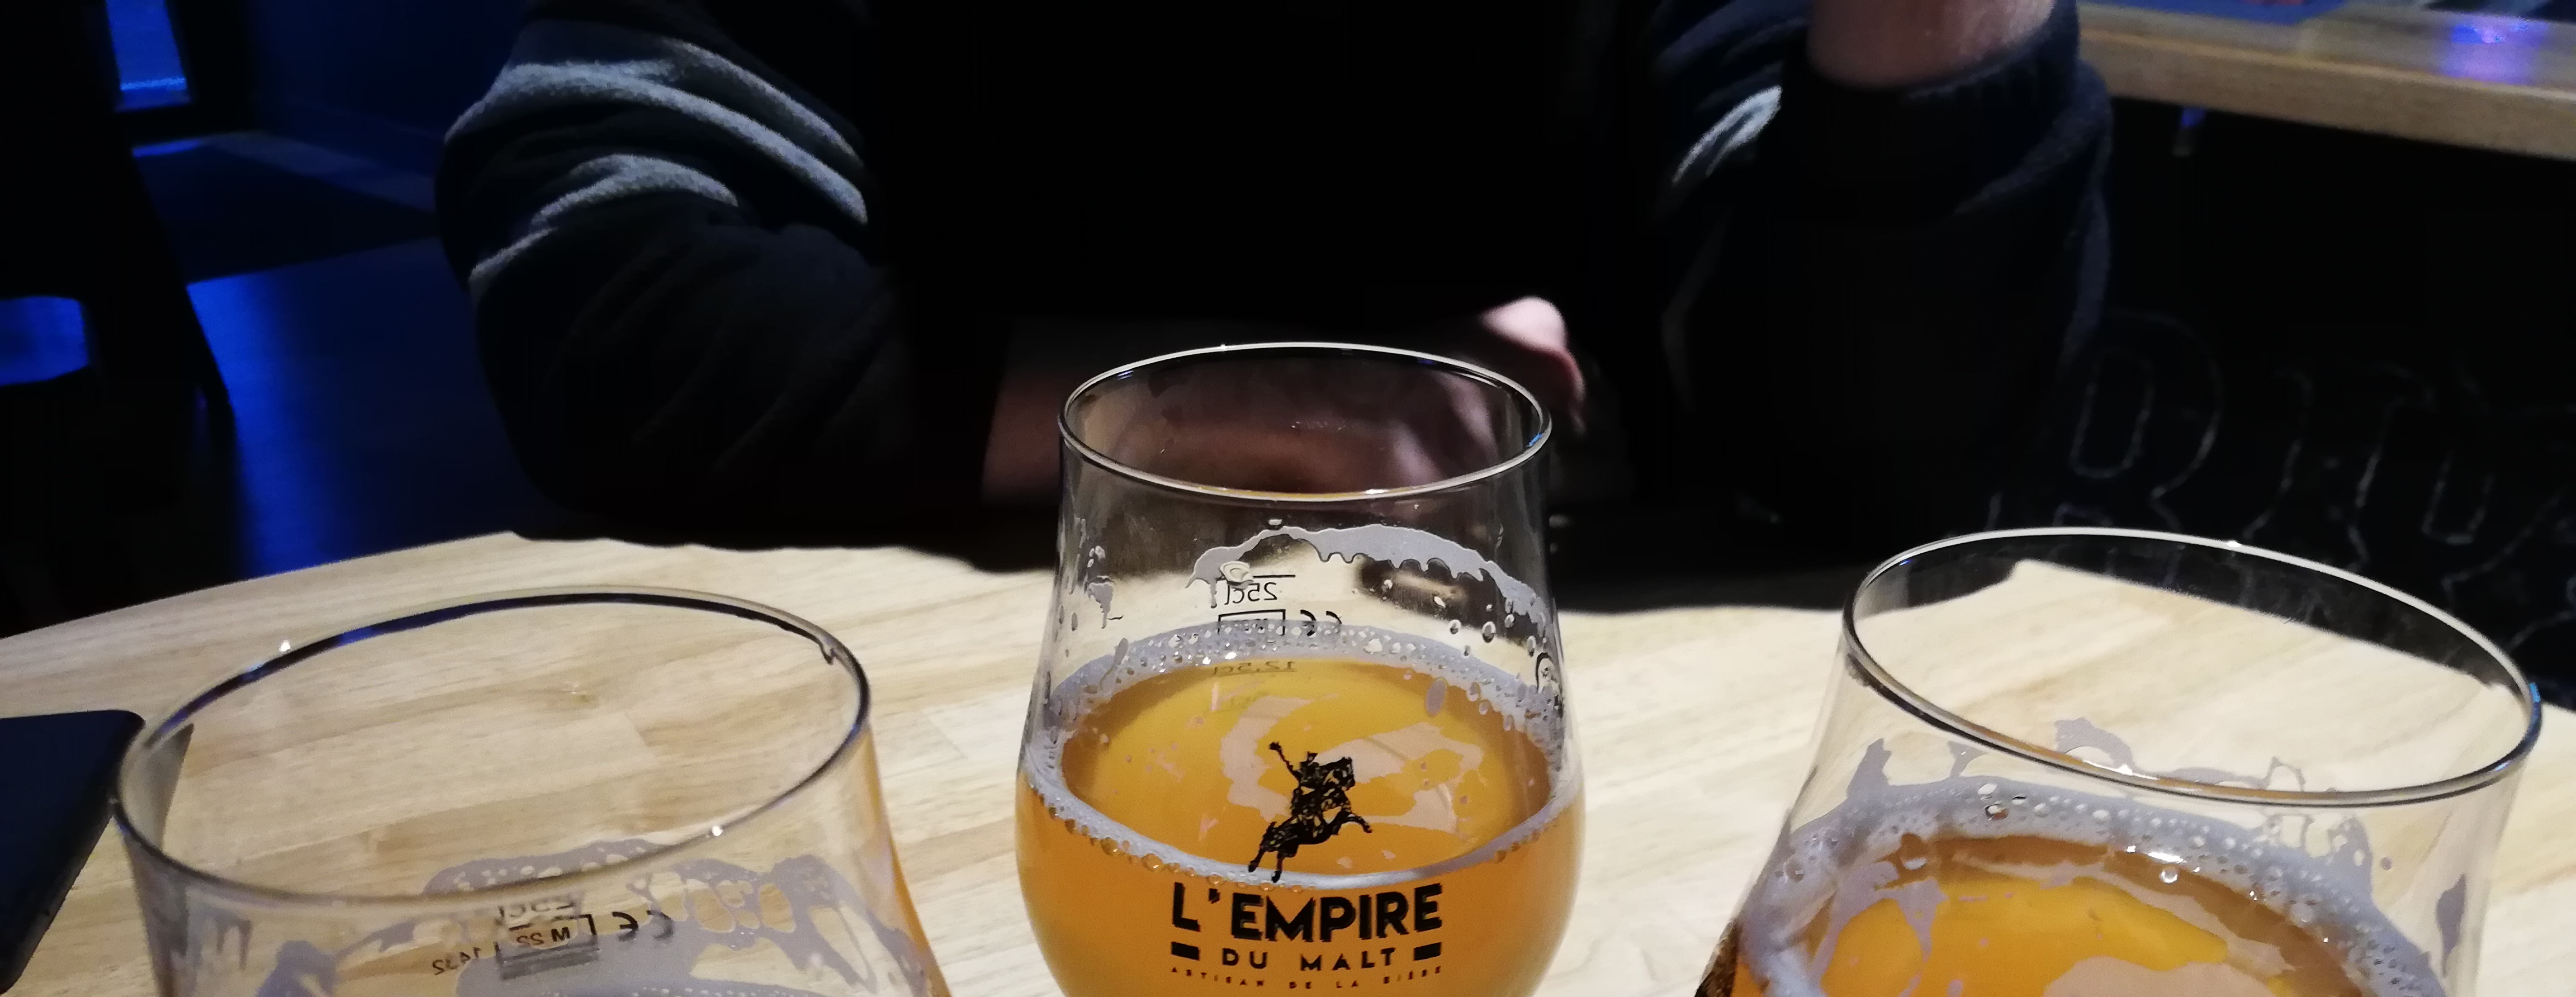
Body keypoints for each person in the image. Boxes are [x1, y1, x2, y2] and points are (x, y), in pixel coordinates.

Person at [438, 0, 2106, 545]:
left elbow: (1889, 450)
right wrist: (1229, 410)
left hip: (1592, 787)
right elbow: (596, 281)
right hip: (959, 729)